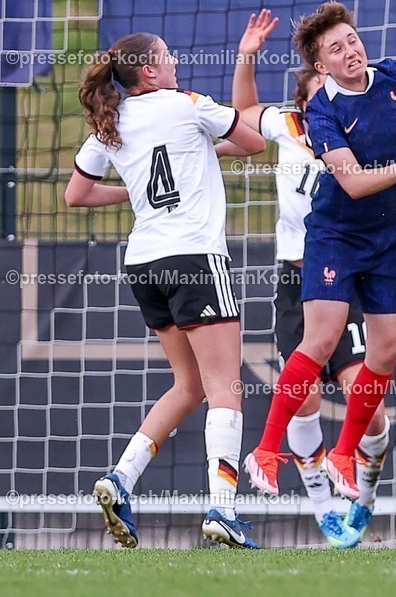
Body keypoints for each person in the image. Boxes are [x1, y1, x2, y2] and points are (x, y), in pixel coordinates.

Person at [233, 9, 396, 546]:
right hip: (314, 258)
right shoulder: (304, 122)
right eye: (332, 52)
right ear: (314, 78)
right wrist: (247, 55)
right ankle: (293, 476)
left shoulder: (386, 84)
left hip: (379, 244)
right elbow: (244, 113)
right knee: (309, 384)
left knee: (376, 373)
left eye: (352, 42)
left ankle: (357, 475)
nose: (348, 53)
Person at [65, 32, 267, 549]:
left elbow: (76, 194)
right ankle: (223, 508)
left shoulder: (112, 123)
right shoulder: (187, 104)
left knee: (189, 385)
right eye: (166, 54)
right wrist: (199, 145)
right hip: (195, 256)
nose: (175, 60)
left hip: (145, 261)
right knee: (226, 385)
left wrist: (136, 190)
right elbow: (253, 142)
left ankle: (121, 479)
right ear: (150, 71)